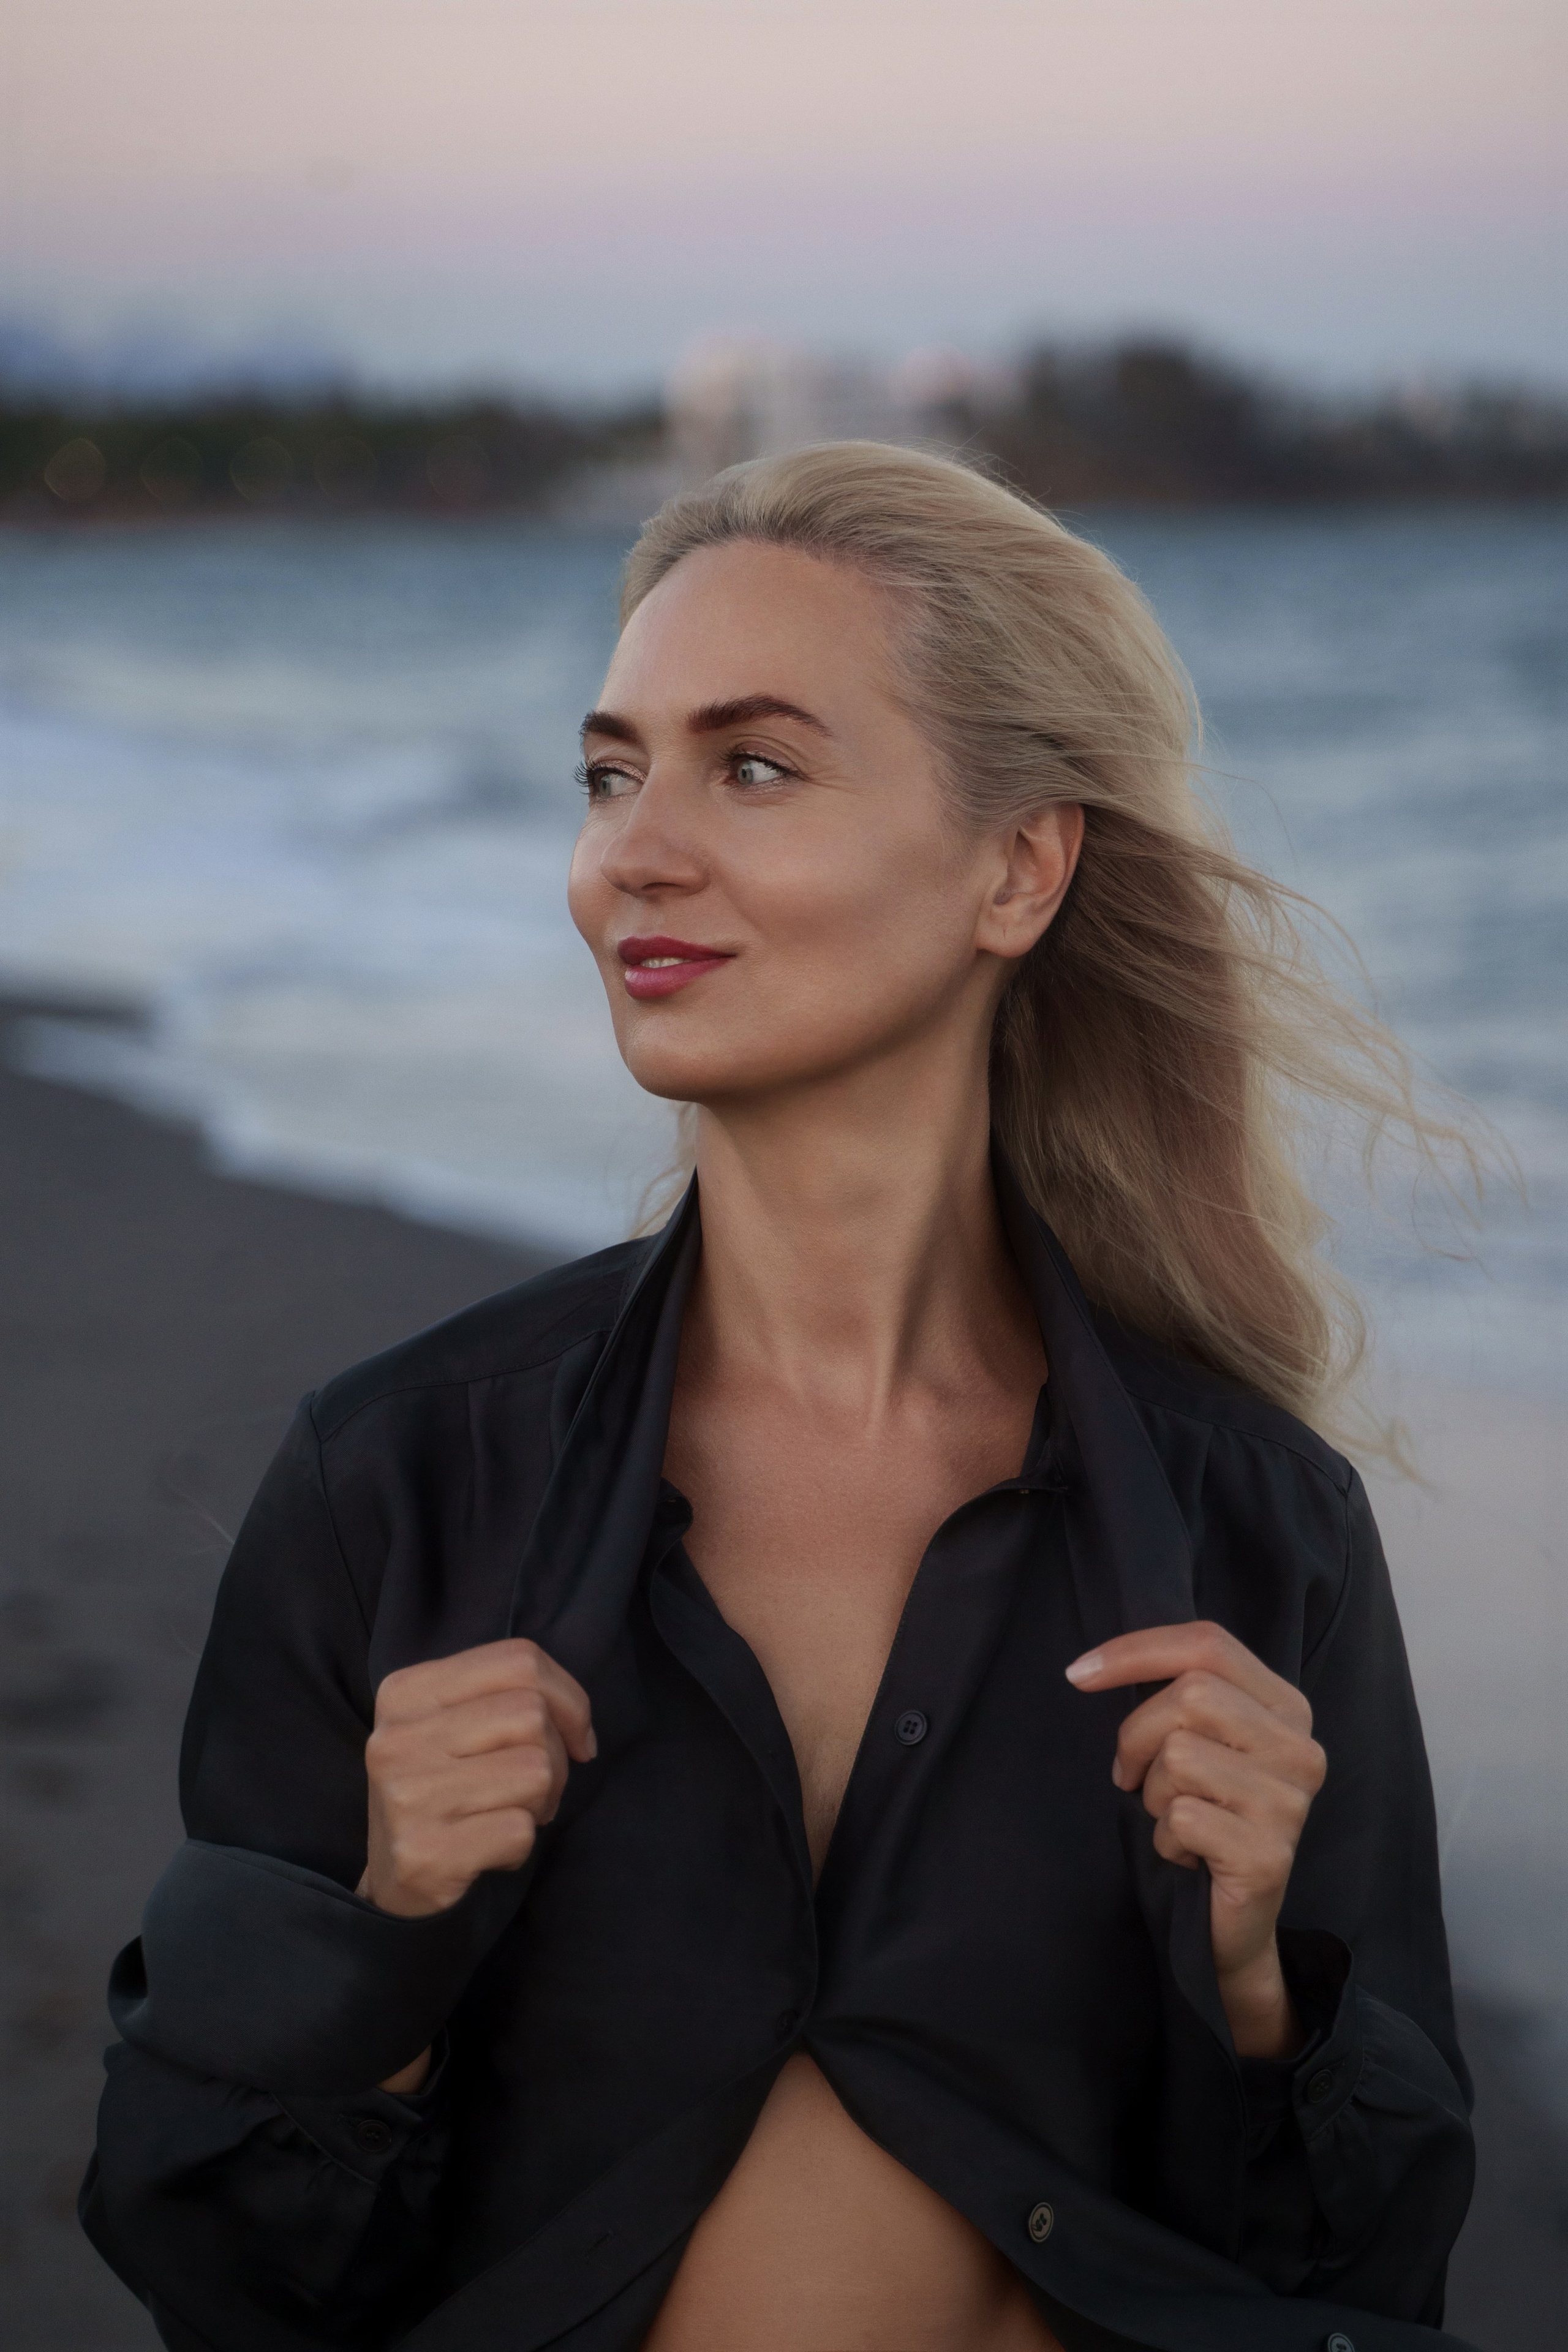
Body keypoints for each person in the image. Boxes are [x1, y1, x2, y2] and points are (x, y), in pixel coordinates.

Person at [83, 443, 1476, 2352]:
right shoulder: (398, 1480)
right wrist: (389, 1931)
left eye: (752, 764)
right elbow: (217, 2268)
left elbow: (1375, 2270)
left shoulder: (1257, 1525)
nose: (634, 850)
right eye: (611, 770)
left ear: (1017, 866)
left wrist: (1255, 1987)